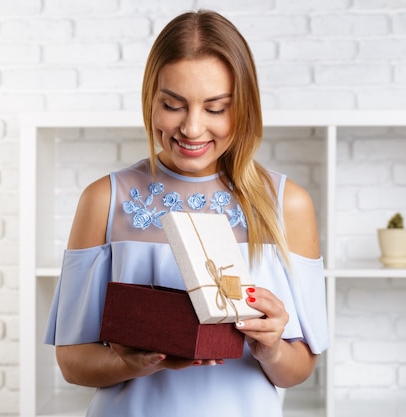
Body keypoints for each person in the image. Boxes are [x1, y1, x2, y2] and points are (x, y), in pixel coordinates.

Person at [44, 9, 329, 417]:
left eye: (216, 108)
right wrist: (131, 362)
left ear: (244, 107)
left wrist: (272, 350)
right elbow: (72, 362)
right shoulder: (103, 199)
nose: (192, 129)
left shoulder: (288, 204)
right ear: (151, 100)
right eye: (173, 105)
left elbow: (299, 368)